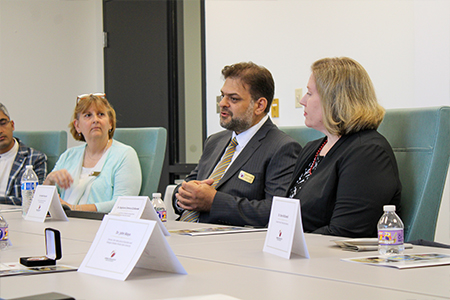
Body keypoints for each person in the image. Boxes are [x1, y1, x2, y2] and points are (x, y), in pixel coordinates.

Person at [173, 62, 302, 227]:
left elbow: (276, 213)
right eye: (222, 96)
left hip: (226, 242)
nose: (222, 104)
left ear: (259, 105)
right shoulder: (215, 141)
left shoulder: (282, 147)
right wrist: (184, 195)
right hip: (184, 232)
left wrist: (214, 202)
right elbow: (186, 185)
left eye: (233, 98)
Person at [288, 57, 401, 238]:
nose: (302, 101)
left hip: (333, 260)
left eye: (309, 93)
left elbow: (345, 232)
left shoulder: (368, 152)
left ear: (334, 99)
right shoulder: (312, 148)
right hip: (301, 254)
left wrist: (288, 243)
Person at [43, 93, 141, 213]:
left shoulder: (125, 155)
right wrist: (49, 181)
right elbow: (43, 203)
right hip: (65, 224)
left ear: (110, 123)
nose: (95, 120)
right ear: (77, 126)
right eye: (88, 115)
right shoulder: (68, 155)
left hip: (100, 226)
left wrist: (73, 208)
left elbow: (124, 205)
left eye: (101, 114)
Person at [0, 103, 47, 205]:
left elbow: (36, 200)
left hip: (15, 218)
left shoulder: (35, 159)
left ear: (12, 125)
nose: (0, 131)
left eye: (2, 123)